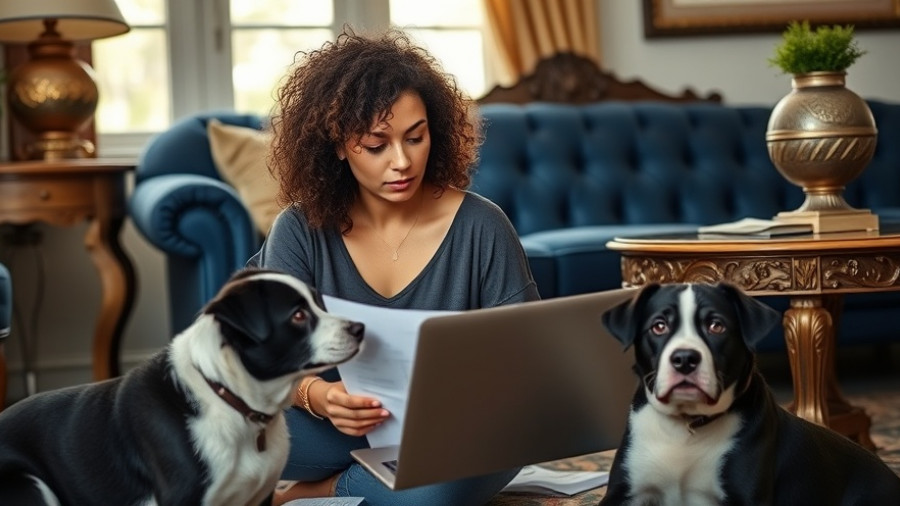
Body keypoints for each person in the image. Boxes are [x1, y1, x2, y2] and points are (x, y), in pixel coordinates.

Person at [247, 27, 540, 506]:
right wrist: (319, 397)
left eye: (415, 138)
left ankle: (316, 492)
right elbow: (265, 357)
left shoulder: (483, 226)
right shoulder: (299, 228)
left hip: (456, 439)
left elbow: (526, 366)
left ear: (434, 133)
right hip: (335, 427)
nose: (401, 162)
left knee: (432, 491)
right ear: (340, 146)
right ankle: (370, 484)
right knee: (213, 431)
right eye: (376, 145)